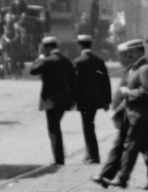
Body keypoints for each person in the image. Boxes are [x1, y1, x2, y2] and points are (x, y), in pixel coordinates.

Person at [103, 45, 148, 192]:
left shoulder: (145, 69)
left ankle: (122, 178)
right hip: (140, 116)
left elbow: (147, 91)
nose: (130, 55)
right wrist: (117, 110)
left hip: (141, 117)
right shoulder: (135, 69)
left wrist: (128, 92)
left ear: (140, 52)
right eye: (128, 53)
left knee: (130, 147)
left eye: (132, 52)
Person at [68, 37, 111, 174]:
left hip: (84, 100)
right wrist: (106, 101)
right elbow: (105, 81)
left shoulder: (78, 62)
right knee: (90, 125)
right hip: (96, 100)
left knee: (88, 127)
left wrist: (72, 100)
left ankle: (93, 155)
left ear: (80, 46)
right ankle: (91, 154)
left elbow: (74, 83)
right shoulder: (99, 61)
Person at [35, 39, 75, 171]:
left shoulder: (46, 61)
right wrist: (73, 99)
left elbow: (33, 70)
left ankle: (59, 159)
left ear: (46, 48)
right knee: (56, 127)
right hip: (64, 100)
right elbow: (74, 81)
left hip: (50, 101)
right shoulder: (66, 60)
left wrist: (40, 58)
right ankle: (60, 156)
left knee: (53, 129)